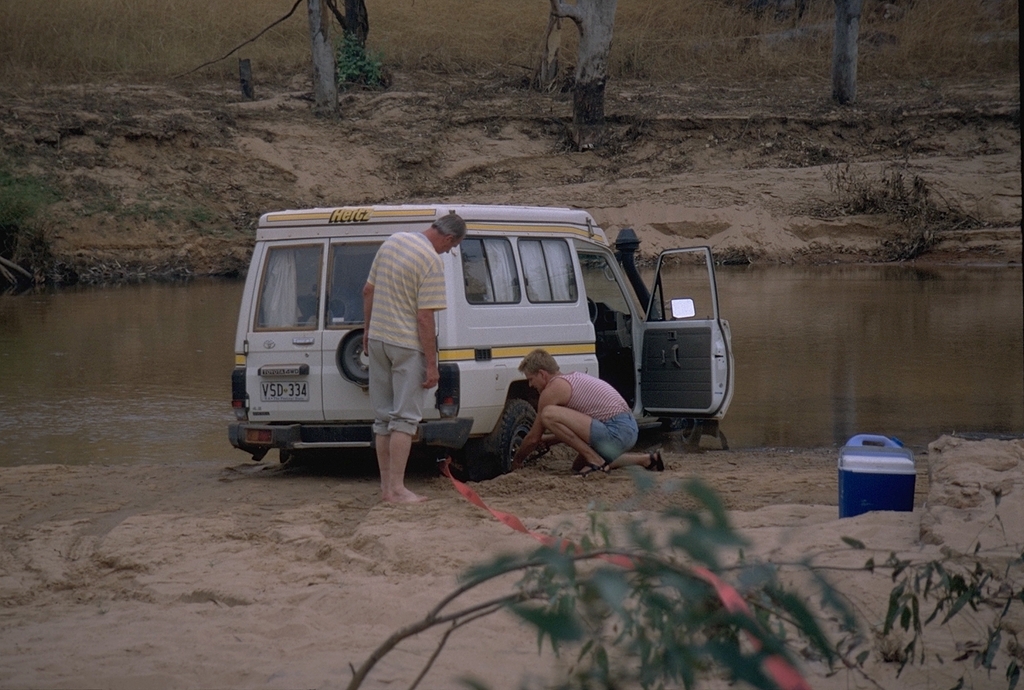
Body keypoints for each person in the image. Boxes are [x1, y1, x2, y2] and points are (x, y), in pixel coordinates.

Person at [362, 213, 467, 503]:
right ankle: (398, 488)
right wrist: (432, 366)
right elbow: (424, 317)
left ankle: (385, 489)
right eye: (451, 247)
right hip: (406, 344)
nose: (447, 252)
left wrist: (368, 330)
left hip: (379, 340)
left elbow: (367, 290)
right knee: (405, 420)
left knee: (382, 419)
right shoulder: (431, 261)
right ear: (448, 238)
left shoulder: (393, 241)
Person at [510, 348, 664, 476]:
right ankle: (646, 460)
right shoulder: (572, 378)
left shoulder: (552, 390)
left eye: (531, 379)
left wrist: (517, 461)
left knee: (548, 414)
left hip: (616, 431)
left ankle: (595, 460)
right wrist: (550, 440)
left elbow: (533, 438)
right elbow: (579, 429)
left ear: (542, 374)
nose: (530, 385)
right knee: (578, 466)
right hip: (628, 428)